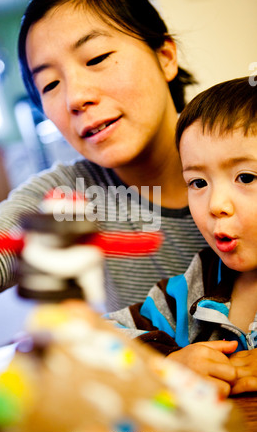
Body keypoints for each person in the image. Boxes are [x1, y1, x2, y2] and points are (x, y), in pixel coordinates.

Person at [0, 0, 207, 319]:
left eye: (97, 58)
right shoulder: (72, 195)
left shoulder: (244, 148)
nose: (75, 97)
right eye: (50, 85)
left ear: (165, 57)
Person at [106, 77, 257, 397]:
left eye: (246, 177)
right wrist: (165, 363)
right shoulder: (193, 285)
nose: (216, 205)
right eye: (198, 182)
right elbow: (96, 337)